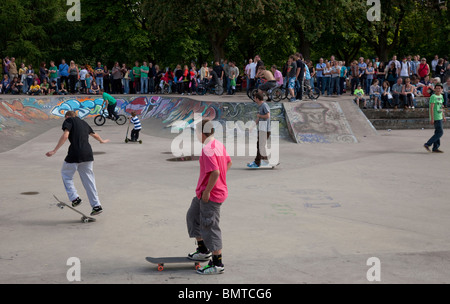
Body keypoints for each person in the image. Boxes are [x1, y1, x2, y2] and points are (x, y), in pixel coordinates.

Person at [186, 119, 232, 275]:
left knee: (210, 227)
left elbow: (216, 172)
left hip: (210, 195)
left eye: (197, 133)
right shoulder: (219, 145)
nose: (197, 136)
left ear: (202, 133)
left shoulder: (208, 149)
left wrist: (208, 190)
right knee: (193, 216)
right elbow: (228, 163)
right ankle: (203, 250)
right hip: (206, 192)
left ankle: (217, 263)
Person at [45, 111, 109, 216]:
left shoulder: (69, 120)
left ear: (67, 116)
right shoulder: (84, 122)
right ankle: (96, 206)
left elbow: (65, 135)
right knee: (89, 181)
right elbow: (95, 135)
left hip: (75, 153)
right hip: (88, 154)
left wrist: (54, 150)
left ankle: (75, 198)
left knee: (66, 174)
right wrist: (101, 141)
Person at [247, 92, 272, 168]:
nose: (254, 99)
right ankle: (266, 161)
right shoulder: (260, 106)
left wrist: (260, 115)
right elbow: (258, 118)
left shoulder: (264, 105)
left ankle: (257, 162)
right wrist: (252, 127)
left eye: (255, 98)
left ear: (257, 99)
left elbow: (268, 115)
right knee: (260, 145)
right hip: (261, 129)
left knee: (260, 146)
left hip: (265, 129)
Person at [424, 83, 446, 153]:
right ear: (435, 89)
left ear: (441, 89)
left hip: (440, 116)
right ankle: (428, 144)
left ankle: (435, 147)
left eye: (439, 88)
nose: (438, 90)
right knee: (440, 132)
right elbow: (431, 108)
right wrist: (432, 118)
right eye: (437, 88)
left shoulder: (441, 96)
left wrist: (443, 116)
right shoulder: (433, 96)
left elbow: (441, 107)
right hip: (436, 117)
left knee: (437, 132)